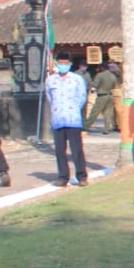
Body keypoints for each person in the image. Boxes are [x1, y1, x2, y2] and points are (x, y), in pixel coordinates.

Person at [46, 50, 89, 187]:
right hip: (58, 119)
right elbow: (50, 98)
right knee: (59, 150)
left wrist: (73, 108)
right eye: (60, 63)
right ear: (57, 64)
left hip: (73, 119)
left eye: (65, 63)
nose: (63, 65)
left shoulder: (77, 79)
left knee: (76, 149)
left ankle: (81, 176)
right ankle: (63, 176)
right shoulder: (50, 80)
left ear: (69, 64)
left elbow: (82, 97)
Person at [85, 64, 120, 134]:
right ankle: (107, 128)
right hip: (110, 96)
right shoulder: (113, 76)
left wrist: (92, 90)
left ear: (102, 68)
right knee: (108, 113)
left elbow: (94, 86)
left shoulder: (100, 75)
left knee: (94, 112)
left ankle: (86, 126)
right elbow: (114, 85)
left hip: (101, 96)